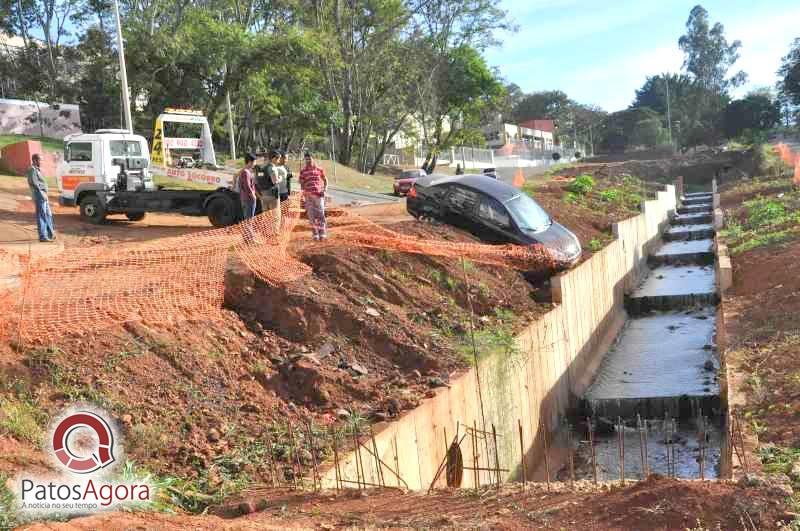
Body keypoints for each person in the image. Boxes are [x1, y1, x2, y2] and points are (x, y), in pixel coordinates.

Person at [26, 154, 55, 242]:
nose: (41, 162)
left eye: (41, 160)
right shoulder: (32, 170)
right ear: (34, 160)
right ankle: (43, 236)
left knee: (48, 214)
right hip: (39, 195)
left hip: (43, 195)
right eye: (40, 160)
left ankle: (50, 234)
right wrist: (42, 193)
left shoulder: (38, 170)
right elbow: (34, 183)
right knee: (42, 215)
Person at [299, 153, 328, 241]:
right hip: (308, 196)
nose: (308, 161)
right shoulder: (303, 171)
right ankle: (315, 234)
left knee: (321, 215)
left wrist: (325, 189)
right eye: (306, 159)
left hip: (319, 196)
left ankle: (322, 233)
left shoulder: (319, 169)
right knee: (311, 216)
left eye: (309, 159)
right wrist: (303, 194)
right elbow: (301, 183)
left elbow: (325, 179)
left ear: (313, 159)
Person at [239, 153, 258, 242]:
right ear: (250, 162)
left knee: (248, 219)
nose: (255, 164)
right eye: (254, 162)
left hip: (245, 199)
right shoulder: (246, 172)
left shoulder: (245, 171)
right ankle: (250, 239)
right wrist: (253, 195)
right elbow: (247, 186)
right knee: (249, 220)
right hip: (248, 199)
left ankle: (247, 238)